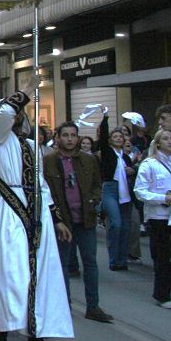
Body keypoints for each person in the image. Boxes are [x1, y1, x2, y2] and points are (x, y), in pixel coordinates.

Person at [0, 92, 73, 341]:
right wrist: (25, 91)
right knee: (10, 274)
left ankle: (36, 339)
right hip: (12, 211)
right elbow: (5, 116)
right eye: (12, 111)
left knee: (42, 276)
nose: (16, 115)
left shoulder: (32, 145)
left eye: (20, 112)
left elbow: (42, 183)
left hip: (37, 213)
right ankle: (1, 337)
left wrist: (56, 217)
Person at [45, 121, 112, 323]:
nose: (69, 139)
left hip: (85, 218)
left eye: (73, 135)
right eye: (65, 135)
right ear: (58, 138)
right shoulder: (48, 161)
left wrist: (94, 200)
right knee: (63, 264)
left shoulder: (88, 160)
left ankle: (93, 306)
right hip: (62, 220)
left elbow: (97, 184)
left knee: (90, 262)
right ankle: (64, 305)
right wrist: (54, 217)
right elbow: (45, 190)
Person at [133, 128, 171, 308]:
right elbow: (140, 192)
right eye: (165, 139)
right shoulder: (149, 164)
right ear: (158, 143)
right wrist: (162, 198)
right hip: (158, 215)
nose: (170, 141)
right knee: (162, 255)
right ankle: (162, 294)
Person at [96, 112, 137, 272]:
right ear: (110, 140)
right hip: (111, 189)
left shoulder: (126, 157)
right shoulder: (107, 152)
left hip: (125, 191)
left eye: (121, 137)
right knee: (116, 224)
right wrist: (106, 118)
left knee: (126, 227)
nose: (119, 139)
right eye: (115, 137)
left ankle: (122, 259)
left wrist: (132, 170)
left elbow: (131, 171)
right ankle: (114, 260)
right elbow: (104, 134)